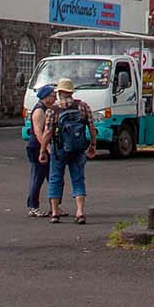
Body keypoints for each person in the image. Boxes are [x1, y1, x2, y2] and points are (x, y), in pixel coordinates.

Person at [41, 78, 97, 224]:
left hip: (59, 149)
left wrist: (42, 150)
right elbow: (91, 127)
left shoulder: (53, 109)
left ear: (60, 92)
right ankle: (79, 212)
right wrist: (93, 144)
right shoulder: (83, 106)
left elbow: (47, 132)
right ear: (71, 92)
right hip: (78, 148)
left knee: (55, 179)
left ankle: (54, 213)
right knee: (78, 178)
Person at [26, 84, 57, 217]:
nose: (55, 97)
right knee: (37, 176)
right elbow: (38, 132)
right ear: (46, 97)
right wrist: (45, 148)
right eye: (52, 95)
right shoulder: (39, 110)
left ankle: (54, 207)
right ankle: (33, 206)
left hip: (44, 145)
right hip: (37, 145)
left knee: (52, 177)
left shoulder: (48, 109)